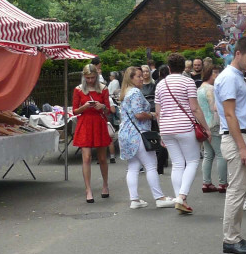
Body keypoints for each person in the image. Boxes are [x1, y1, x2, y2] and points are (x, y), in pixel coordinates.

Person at [216, 36, 246, 254]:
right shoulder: (229, 78)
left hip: (242, 136)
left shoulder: (237, 77)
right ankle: (231, 238)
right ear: (238, 54)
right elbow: (229, 114)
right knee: (236, 191)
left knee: (240, 190)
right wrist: (243, 147)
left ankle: (234, 237)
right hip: (236, 139)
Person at [155, 52, 209, 215]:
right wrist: (205, 127)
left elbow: (158, 112)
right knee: (192, 161)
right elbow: (194, 108)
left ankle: (181, 200)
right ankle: (182, 196)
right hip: (185, 127)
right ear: (184, 66)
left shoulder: (160, 85)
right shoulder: (188, 82)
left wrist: (161, 132)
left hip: (166, 128)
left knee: (178, 164)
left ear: (169, 67)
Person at [117, 66, 173, 210]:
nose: (142, 78)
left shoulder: (125, 93)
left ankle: (134, 199)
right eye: (139, 76)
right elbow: (139, 114)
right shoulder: (135, 92)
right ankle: (159, 198)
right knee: (151, 165)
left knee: (133, 167)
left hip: (126, 134)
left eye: (142, 76)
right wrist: (152, 115)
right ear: (131, 79)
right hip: (138, 133)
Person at [72, 64, 113, 203]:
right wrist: (84, 107)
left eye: (92, 77)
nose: (90, 80)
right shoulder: (78, 90)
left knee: (102, 158)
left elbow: (108, 110)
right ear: (84, 77)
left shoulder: (103, 89)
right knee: (87, 157)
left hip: (99, 123)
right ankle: (88, 189)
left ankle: (105, 185)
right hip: (85, 124)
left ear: (96, 76)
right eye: (88, 78)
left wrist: (102, 106)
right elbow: (74, 111)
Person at [198, 65, 227, 193]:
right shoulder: (211, 89)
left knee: (208, 154)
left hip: (203, 124)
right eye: (215, 73)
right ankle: (223, 183)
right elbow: (214, 108)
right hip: (214, 124)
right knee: (220, 154)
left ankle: (207, 182)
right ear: (211, 74)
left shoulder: (199, 89)